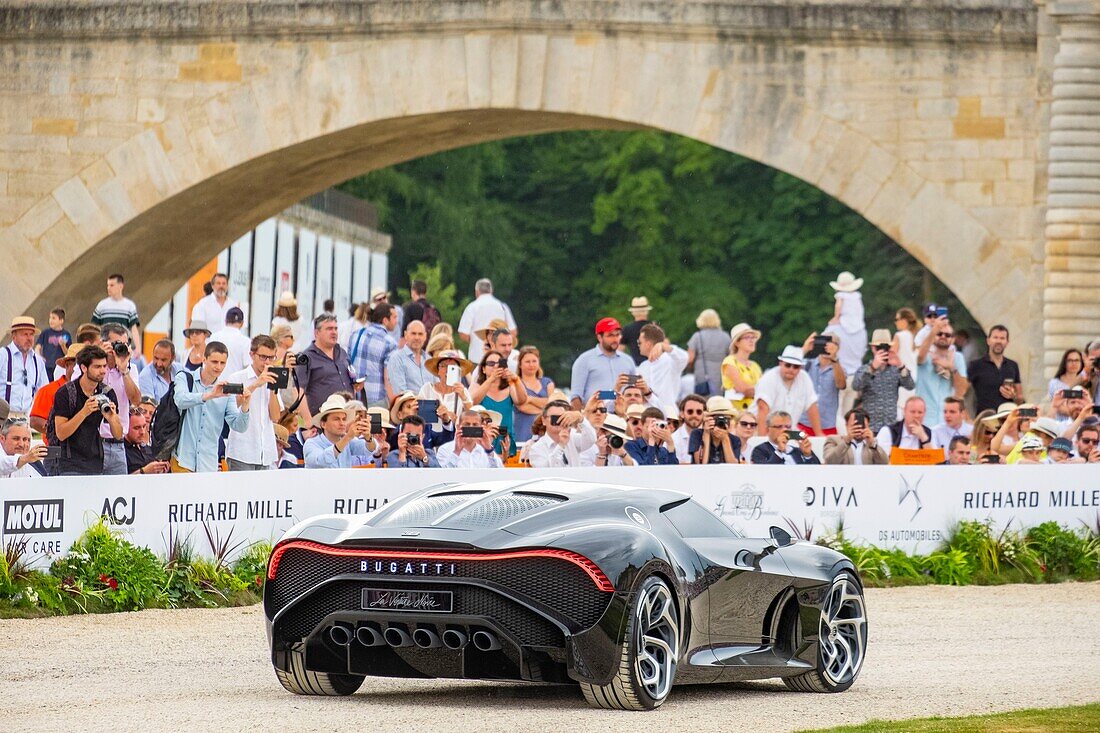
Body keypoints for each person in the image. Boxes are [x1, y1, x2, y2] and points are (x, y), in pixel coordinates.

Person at [171, 342, 252, 473]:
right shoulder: (185, 377)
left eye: (222, 363)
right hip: (183, 460)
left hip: (208, 465)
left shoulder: (226, 391)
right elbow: (180, 400)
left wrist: (245, 406)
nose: (218, 367)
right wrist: (210, 395)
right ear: (204, 359)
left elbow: (239, 426)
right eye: (214, 361)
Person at [52, 345, 122, 476]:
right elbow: (61, 433)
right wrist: (84, 411)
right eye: (97, 367)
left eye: (104, 366)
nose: (102, 371)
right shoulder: (66, 393)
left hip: (95, 462)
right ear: (83, 368)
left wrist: (112, 418)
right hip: (69, 463)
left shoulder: (107, 392)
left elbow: (118, 435)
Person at [224, 335, 283, 471]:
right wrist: (256, 384)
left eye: (271, 357)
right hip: (242, 452)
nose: (267, 362)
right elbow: (232, 407)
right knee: (240, 492)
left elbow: (275, 417)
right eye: (263, 357)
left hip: (266, 452)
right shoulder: (237, 377)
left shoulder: (273, 378)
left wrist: (274, 389)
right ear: (252, 355)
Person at [295, 313, 358, 425]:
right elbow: (298, 391)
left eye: (335, 328)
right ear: (317, 333)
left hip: (347, 419)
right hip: (323, 421)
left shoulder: (342, 352)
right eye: (329, 329)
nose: (334, 332)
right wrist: (308, 420)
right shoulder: (306, 357)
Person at [852, 330, 917, 433]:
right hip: (870, 427)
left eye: (886, 347)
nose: (882, 350)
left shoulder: (895, 370)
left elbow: (910, 386)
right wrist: (873, 368)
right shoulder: (864, 369)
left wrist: (901, 366)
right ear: (873, 348)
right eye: (879, 347)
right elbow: (856, 386)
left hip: (890, 428)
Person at [97, 323, 142, 475]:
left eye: (123, 344)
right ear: (103, 343)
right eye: (115, 343)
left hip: (118, 443)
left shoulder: (131, 368)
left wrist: (124, 370)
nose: (119, 348)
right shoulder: (91, 365)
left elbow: (136, 400)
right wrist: (99, 356)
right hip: (94, 442)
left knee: (118, 492)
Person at [569, 317, 637, 410]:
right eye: (610, 335)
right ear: (599, 337)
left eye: (617, 335)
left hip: (624, 416)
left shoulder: (627, 360)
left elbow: (634, 390)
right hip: (596, 415)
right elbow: (576, 396)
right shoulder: (584, 360)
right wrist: (614, 392)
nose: (615, 339)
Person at [753, 345, 822, 436]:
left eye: (796, 366)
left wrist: (819, 435)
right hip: (760, 430)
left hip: (788, 431)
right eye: (788, 365)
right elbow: (762, 408)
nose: (791, 369)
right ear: (780, 363)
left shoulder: (804, 378)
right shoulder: (769, 378)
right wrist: (761, 439)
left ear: (800, 367)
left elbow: (812, 406)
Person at [470, 349, 527, 455]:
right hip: (482, 441)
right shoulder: (476, 385)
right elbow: (472, 402)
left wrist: (517, 380)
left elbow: (521, 400)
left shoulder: (509, 387)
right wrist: (491, 379)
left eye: (499, 363)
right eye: (491, 364)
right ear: (483, 369)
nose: (496, 366)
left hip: (505, 441)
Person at [303, 395, 379, 468]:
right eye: (336, 419)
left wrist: (368, 436)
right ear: (323, 424)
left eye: (344, 419)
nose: (342, 423)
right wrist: (348, 437)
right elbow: (320, 461)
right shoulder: (311, 443)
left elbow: (370, 449)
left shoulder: (349, 441)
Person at [348, 302, 398, 407]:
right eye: (394, 317)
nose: (396, 321)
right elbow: (388, 377)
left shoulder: (356, 335)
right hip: (376, 398)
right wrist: (394, 403)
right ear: (385, 320)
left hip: (354, 396)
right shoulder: (390, 343)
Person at [916, 317, 968, 415]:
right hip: (925, 417)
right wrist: (934, 330)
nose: (943, 336)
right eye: (939, 334)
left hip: (947, 418)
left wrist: (951, 368)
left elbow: (962, 390)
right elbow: (919, 357)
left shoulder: (958, 358)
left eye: (947, 335)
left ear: (953, 339)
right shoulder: (926, 355)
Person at [457, 278, 517, 364]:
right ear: (491, 291)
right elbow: (513, 331)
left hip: (477, 359)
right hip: (500, 359)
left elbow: (463, 334)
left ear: (477, 291)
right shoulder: (502, 306)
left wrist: (476, 341)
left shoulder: (472, 307)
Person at [417, 349, 474, 435]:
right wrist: (445, 415)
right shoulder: (427, 388)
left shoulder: (462, 391)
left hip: (453, 439)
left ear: (458, 372)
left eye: (452, 368)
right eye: (443, 366)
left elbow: (473, 418)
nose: (448, 370)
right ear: (438, 371)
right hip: (430, 437)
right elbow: (420, 415)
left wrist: (463, 397)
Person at [967, 325, 1022, 414]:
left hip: (1007, 420)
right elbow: (962, 394)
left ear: (1007, 342)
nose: (998, 341)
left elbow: (1020, 397)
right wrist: (967, 418)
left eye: (1002, 338)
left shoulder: (1013, 365)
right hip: (985, 421)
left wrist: (1013, 396)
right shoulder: (976, 365)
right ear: (988, 340)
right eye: (995, 337)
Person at [29, 343, 81, 435]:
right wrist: (57, 433)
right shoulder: (48, 390)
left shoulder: (93, 390)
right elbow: (35, 421)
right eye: (77, 365)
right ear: (67, 365)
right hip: (57, 447)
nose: (81, 369)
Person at [1, 316, 49, 417]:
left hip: (25, 418)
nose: (29, 338)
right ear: (14, 336)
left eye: (31, 334)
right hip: (2, 417)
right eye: (25, 334)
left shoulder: (38, 361)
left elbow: (44, 392)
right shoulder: (3, 355)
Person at [799, 331, 845, 435]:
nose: (826, 346)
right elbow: (788, 366)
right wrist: (805, 348)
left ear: (837, 347)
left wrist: (834, 359)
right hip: (804, 423)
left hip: (828, 425)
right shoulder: (807, 364)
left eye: (830, 342)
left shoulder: (839, 369)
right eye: (824, 342)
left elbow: (841, 384)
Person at [525, 400, 597, 467]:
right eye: (554, 418)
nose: (558, 421)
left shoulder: (572, 437)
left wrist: (581, 419)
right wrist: (561, 445)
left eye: (562, 417)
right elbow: (547, 472)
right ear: (543, 420)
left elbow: (591, 439)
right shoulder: (536, 448)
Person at [636, 323, 688, 410]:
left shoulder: (670, 361)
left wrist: (663, 346)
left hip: (668, 414)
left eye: (639, 342)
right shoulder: (642, 366)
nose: (638, 345)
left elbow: (684, 357)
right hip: (647, 414)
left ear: (648, 344)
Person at [827, 271, 868, 380]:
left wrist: (836, 317)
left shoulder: (833, 330)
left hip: (838, 376)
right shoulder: (862, 331)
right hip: (856, 376)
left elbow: (838, 306)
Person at [513, 345, 555, 444]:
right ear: (520, 364)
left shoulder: (547, 382)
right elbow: (522, 407)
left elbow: (553, 406)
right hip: (523, 433)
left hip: (545, 435)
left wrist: (530, 399)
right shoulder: (516, 383)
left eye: (534, 361)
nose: (531, 364)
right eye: (527, 362)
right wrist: (545, 410)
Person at [436, 409, 505, 468]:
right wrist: (456, 452)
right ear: (458, 427)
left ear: (481, 428)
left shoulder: (487, 451)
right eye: (467, 424)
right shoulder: (445, 449)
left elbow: (498, 475)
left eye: (475, 425)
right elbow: (442, 476)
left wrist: (489, 450)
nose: (471, 427)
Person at [686, 309, 730, 397]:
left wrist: (689, 368)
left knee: (702, 400)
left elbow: (690, 358)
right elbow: (731, 357)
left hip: (702, 374)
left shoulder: (697, 336)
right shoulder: (726, 336)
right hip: (720, 375)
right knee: (718, 400)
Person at [91, 273, 141, 349]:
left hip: (123, 345)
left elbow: (134, 329)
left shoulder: (129, 306)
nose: (108, 288)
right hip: (105, 345)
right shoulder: (102, 305)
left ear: (121, 286)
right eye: (108, 285)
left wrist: (138, 347)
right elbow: (94, 328)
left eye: (112, 285)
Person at [750, 411, 821, 465]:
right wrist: (779, 451)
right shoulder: (760, 450)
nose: (784, 430)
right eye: (779, 426)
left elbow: (817, 471)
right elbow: (764, 473)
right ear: (768, 430)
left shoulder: (797, 451)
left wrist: (808, 455)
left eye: (788, 427)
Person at [721, 323, 762, 411]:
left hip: (754, 412)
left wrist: (751, 390)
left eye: (753, 337)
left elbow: (765, 390)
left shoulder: (755, 366)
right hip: (735, 413)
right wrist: (757, 390)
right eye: (747, 338)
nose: (752, 341)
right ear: (737, 343)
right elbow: (743, 389)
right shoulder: (729, 361)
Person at [823, 409, 888, 465]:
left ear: (868, 426)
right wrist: (846, 441)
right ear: (846, 426)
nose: (858, 429)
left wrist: (873, 445)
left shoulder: (872, 444)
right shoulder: (833, 440)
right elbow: (829, 461)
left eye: (863, 426)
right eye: (854, 426)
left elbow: (884, 464)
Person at [689, 396, 742, 464]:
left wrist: (725, 439)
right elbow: (700, 465)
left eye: (725, 419)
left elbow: (733, 467)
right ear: (708, 418)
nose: (721, 422)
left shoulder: (735, 440)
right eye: (717, 418)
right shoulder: (697, 434)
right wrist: (706, 434)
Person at [385, 319, 432, 395]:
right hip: (409, 405)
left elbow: (436, 389)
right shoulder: (397, 358)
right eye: (413, 333)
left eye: (420, 334)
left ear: (425, 336)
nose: (417, 337)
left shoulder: (429, 360)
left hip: (431, 405)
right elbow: (401, 392)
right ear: (406, 335)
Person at [891, 307, 920, 414]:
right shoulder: (916, 337)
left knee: (901, 410)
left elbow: (891, 355)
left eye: (897, 319)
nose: (895, 322)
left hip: (903, 377)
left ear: (904, 320)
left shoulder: (899, 336)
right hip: (916, 377)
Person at [125, 409, 169, 474]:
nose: (142, 432)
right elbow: (120, 481)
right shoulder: (121, 452)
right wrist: (143, 471)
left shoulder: (148, 448)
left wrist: (162, 469)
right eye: (137, 428)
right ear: (125, 428)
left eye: (144, 426)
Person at [210, 307, 251, 374]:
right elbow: (247, 366)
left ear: (225, 321)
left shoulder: (214, 337)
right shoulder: (246, 341)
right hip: (236, 383)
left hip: (215, 381)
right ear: (242, 323)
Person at [138, 339, 179, 404]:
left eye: (163, 360)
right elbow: (149, 409)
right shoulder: (145, 376)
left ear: (172, 358)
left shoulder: (179, 369)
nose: (159, 364)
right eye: (156, 358)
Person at [35, 308, 71, 375]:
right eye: (50, 318)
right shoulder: (45, 332)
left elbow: (68, 354)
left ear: (61, 321)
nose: (51, 320)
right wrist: (39, 356)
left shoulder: (66, 334)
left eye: (53, 318)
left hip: (60, 367)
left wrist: (63, 346)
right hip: (46, 366)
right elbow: (38, 347)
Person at [673, 394, 706, 463]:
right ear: (682, 414)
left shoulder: (710, 435)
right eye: (690, 411)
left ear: (704, 414)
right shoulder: (674, 438)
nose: (694, 415)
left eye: (699, 412)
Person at [621, 296, 653, 366]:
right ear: (647, 311)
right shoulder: (654, 327)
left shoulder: (627, 329)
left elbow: (619, 351)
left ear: (633, 312)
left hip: (636, 367)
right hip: (654, 365)